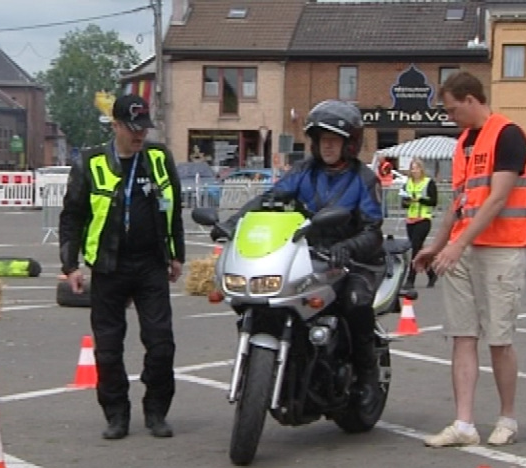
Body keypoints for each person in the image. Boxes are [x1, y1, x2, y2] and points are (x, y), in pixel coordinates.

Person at [212, 99, 385, 387]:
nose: (327, 146)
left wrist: (348, 247)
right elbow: (269, 199)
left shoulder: (363, 179)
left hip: (353, 260)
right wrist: (235, 222)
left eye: (334, 140)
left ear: (350, 143)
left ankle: (367, 373)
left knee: (355, 303)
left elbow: (373, 230)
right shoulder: (304, 171)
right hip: (306, 252)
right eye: (322, 140)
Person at [412, 71, 526, 448]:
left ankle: (507, 418)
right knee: (462, 335)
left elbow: (497, 198)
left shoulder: (508, 134)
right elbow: (459, 201)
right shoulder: (463, 142)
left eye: (452, 110)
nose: (450, 117)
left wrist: (456, 245)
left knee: (499, 337)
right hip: (465, 248)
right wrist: (436, 244)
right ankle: (464, 423)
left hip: (502, 248)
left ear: (470, 99)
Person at [59, 94, 185, 440]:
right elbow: (72, 216)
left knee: (161, 344)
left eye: (143, 128)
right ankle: (116, 414)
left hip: (151, 265)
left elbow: (173, 209)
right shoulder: (91, 163)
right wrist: (70, 265)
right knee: (109, 348)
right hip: (109, 267)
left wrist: (177, 256)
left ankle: (157, 411)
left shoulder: (159, 159)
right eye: (132, 128)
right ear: (115, 126)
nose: (139, 135)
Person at [399, 158, 438, 289]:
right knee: (418, 248)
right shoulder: (407, 183)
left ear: (421, 169)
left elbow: (434, 201)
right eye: (412, 168)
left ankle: (411, 278)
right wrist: (407, 202)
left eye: (416, 167)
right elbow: (403, 203)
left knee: (415, 248)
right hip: (411, 219)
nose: (414, 170)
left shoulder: (428, 182)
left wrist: (420, 199)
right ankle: (431, 273)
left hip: (424, 219)